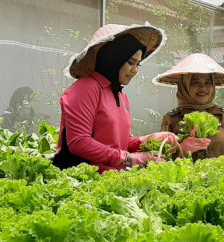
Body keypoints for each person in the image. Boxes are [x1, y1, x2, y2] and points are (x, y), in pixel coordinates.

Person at [52, 23, 179, 173]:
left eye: (138, 64)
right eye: (131, 62)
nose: (135, 70)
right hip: (83, 179)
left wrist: (147, 140)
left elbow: (119, 144)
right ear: (113, 58)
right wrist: (130, 159)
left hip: (111, 179)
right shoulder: (86, 88)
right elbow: (79, 142)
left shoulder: (120, 95)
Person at [153, 53, 224, 160]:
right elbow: (159, 157)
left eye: (207, 83)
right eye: (195, 83)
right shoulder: (172, 119)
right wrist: (180, 149)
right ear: (184, 86)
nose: (203, 88)